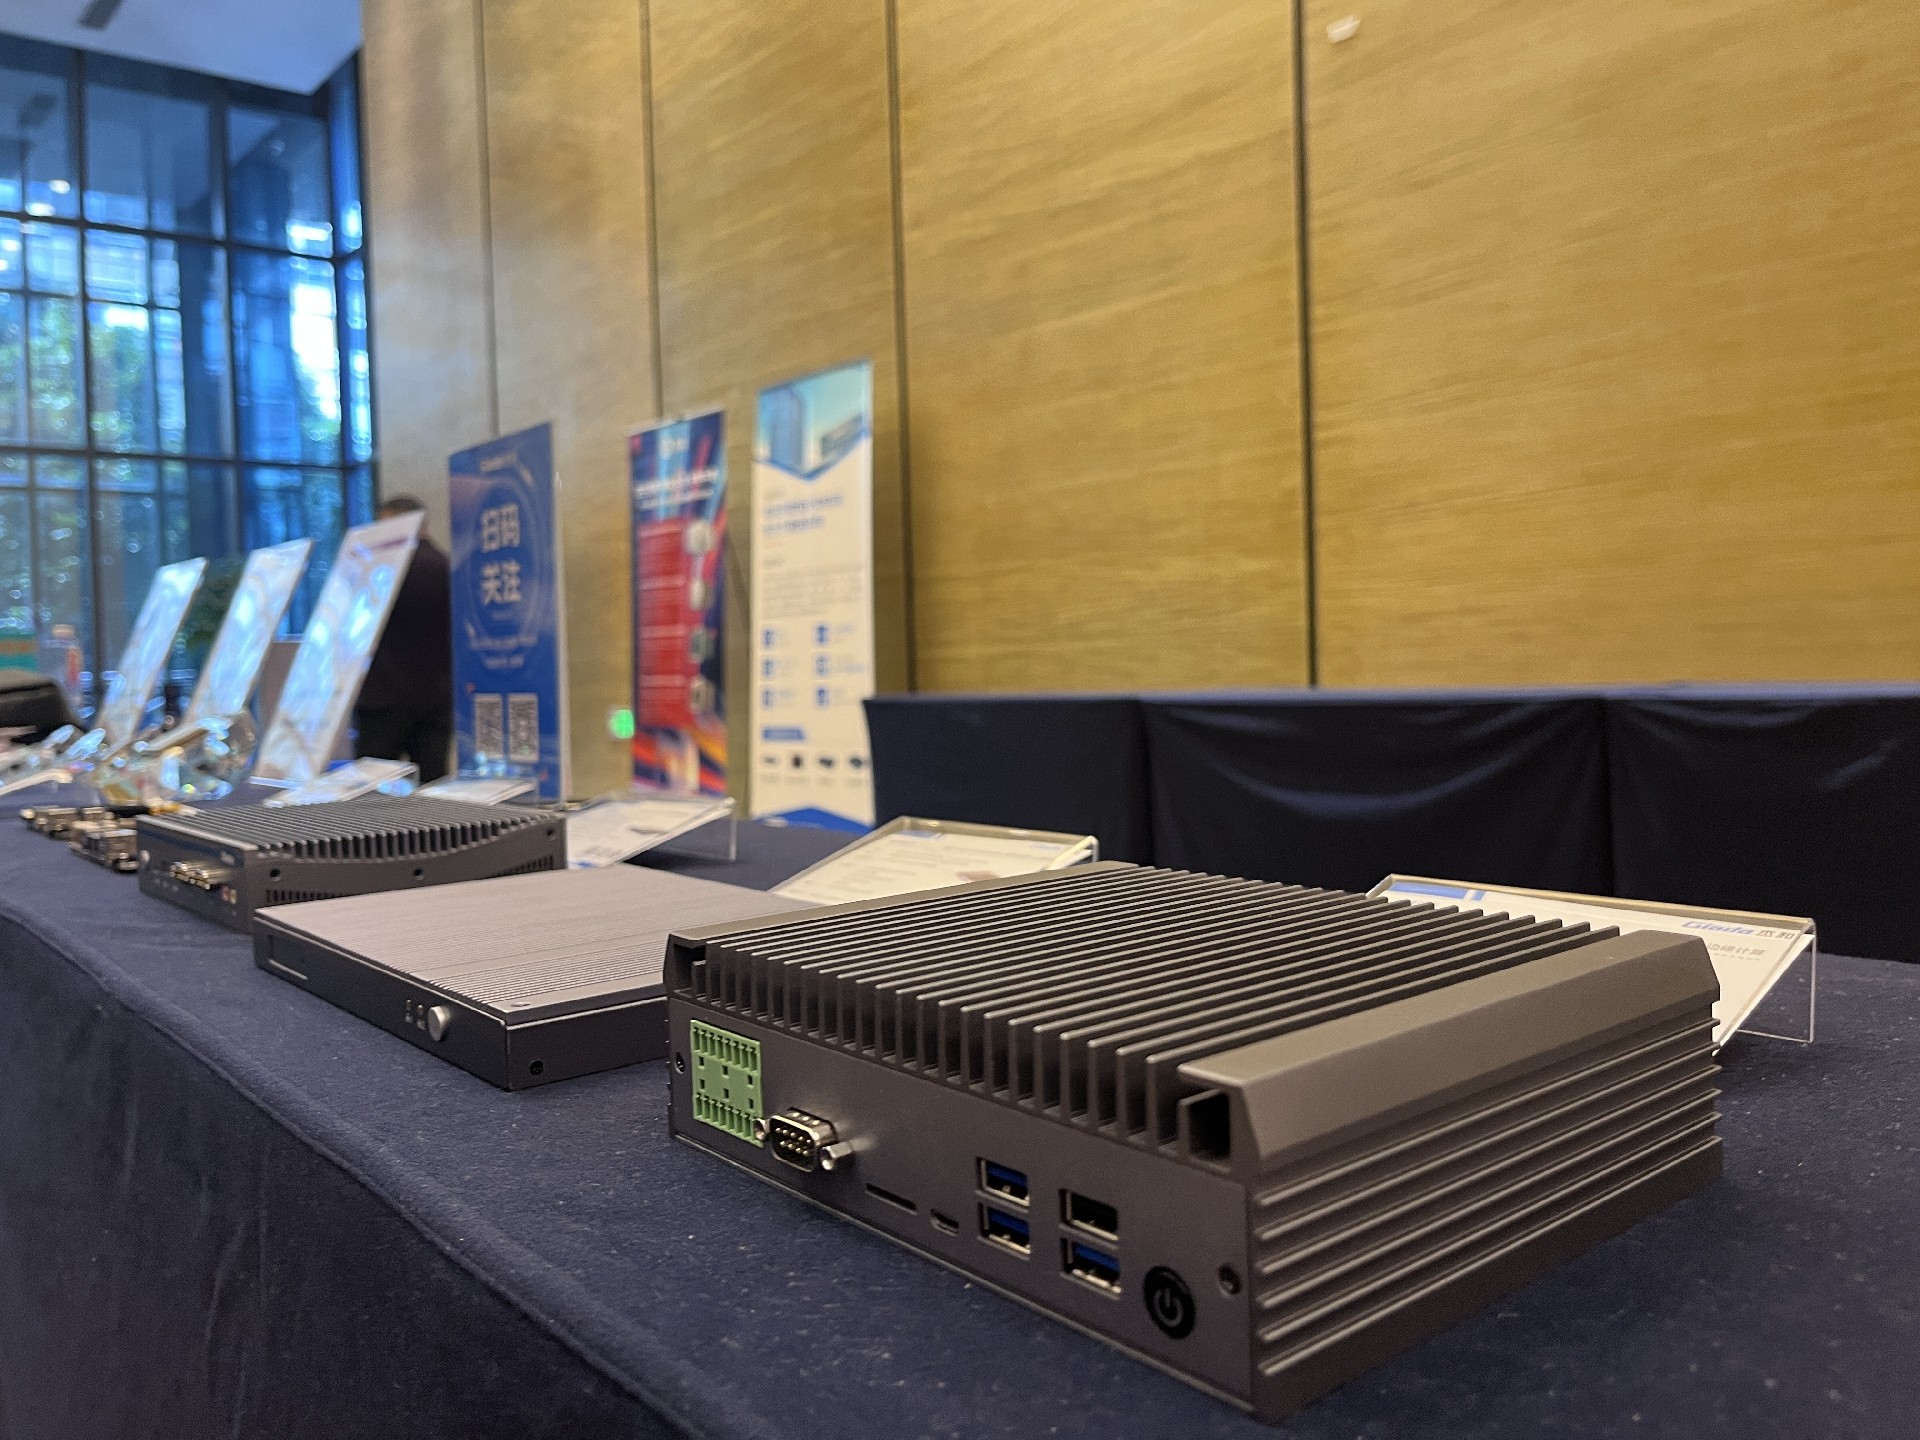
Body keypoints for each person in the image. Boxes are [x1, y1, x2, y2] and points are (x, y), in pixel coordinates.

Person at [353, 496, 453, 782]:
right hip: (436, 696)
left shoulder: (377, 568)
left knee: (374, 786)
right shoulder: (445, 566)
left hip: (383, 696)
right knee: (433, 782)